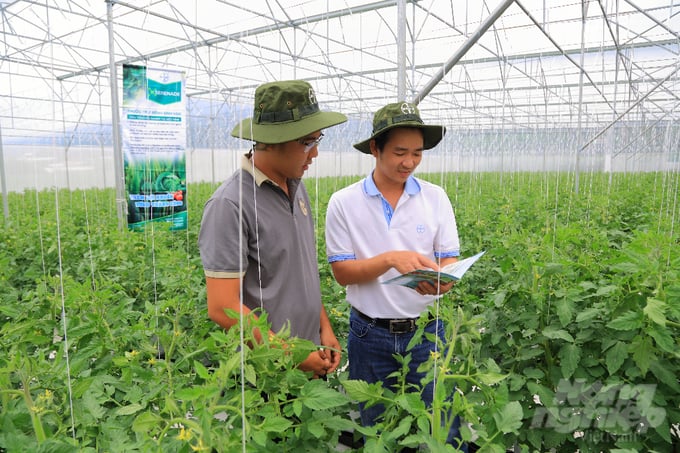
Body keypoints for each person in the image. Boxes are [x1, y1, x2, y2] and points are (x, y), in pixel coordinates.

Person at [325, 101, 466, 449]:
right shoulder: (343, 202)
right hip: (369, 333)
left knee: (443, 427)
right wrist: (389, 259)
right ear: (375, 148)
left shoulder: (435, 197)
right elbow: (342, 272)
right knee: (380, 429)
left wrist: (442, 280)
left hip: (427, 331)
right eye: (400, 152)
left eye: (417, 153)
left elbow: (449, 259)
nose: (409, 162)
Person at [198, 80, 346, 378]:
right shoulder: (230, 204)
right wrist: (289, 354)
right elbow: (221, 306)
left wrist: (324, 327)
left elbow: (300, 270)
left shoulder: (296, 187)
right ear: (272, 140)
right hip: (267, 372)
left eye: (318, 141)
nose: (314, 154)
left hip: (308, 356)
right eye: (307, 143)